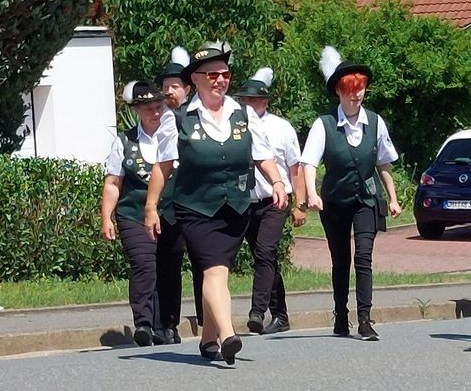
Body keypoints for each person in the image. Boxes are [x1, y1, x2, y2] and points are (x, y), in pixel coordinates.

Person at [145, 44, 288, 365]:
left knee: (218, 273)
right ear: (195, 79)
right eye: (213, 74)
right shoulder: (178, 120)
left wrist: (277, 182)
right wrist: (151, 206)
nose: (221, 80)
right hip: (195, 208)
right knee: (214, 270)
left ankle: (208, 338)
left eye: (225, 74)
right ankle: (228, 335)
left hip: (235, 208)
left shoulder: (244, 113)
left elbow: (263, 155)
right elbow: (162, 166)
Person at [300, 47, 402, 341]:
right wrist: (312, 193)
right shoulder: (325, 124)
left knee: (364, 257)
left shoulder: (376, 122)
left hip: (366, 200)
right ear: (339, 93)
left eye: (360, 90)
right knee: (341, 259)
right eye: (350, 91)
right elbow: (309, 162)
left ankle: (366, 319)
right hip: (334, 203)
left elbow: (383, 162)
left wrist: (392, 197)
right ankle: (341, 314)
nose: (356, 96)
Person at [101, 81, 178, 346]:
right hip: (133, 212)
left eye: (159, 107)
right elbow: (113, 183)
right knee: (144, 266)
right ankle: (144, 324)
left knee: (169, 268)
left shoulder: (176, 137)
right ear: (136, 110)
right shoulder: (124, 141)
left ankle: (167, 325)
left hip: (170, 213)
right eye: (148, 109)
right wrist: (106, 217)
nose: (155, 113)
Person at [235, 67, 305, 335]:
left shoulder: (281, 128)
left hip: (274, 201)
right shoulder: (236, 126)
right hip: (246, 201)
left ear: (264, 101)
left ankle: (257, 311)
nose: (249, 105)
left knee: (265, 252)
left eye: (254, 100)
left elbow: (294, 167)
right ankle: (280, 314)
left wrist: (299, 204)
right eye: (245, 100)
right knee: (264, 257)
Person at [153, 46, 191, 338]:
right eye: (165, 86)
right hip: (167, 203)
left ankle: (209, 320)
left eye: (174, 86)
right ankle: (167, 323)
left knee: (207, 264)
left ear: (187, 89)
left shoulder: (195, 115)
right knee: (168, 263)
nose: (169, 91)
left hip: (195, 199)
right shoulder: (158, 118)